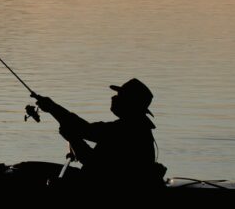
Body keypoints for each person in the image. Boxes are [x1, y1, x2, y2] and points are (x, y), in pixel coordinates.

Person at [29, 78, 165, 187]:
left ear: (130, 103)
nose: (114, 98)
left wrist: (72, 138)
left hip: (111, 189)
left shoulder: (124, 130)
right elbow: (83, 129)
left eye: (120, 96)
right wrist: (53, 109)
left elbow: (92, 161)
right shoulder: (136, 127)